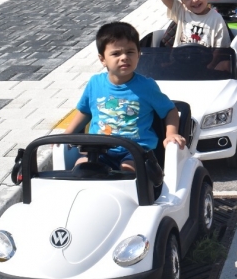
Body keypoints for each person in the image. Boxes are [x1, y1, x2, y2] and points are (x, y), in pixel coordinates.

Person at [63, 22, 186, 172]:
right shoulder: (95, 83)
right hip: (98, 149)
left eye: (130, 52)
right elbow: (85, 111)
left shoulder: (147, 86)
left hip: (136, 150)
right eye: (116, 54)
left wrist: (171, 134)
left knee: (127, 169)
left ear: (138, 54)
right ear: (102, 59)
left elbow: (169, 110)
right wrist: (67, 134)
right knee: (81, 166)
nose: (124, 57)